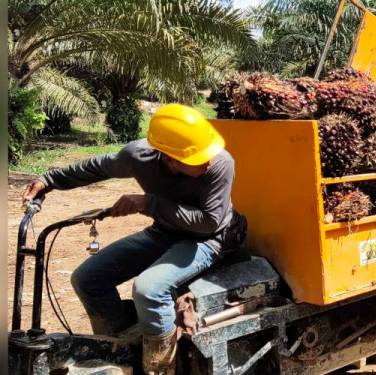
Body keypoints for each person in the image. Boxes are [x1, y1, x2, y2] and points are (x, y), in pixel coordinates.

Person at [22, 103, 246, 375]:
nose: (208, 160)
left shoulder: (221, 163)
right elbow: (98, 166)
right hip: (165, 232)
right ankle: (122, 349)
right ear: (169, 158)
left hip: (211, 239)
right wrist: (49, 180)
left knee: (149, 290)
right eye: (197, 158)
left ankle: (159, 368)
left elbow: (208, 222)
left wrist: (149, 203)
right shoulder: (138, 156)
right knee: (88, 279)